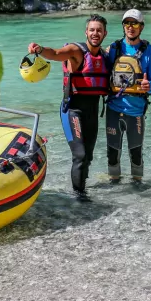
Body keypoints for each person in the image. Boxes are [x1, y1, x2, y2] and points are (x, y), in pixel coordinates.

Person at [27, 14, 109, 198]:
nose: (95, 33)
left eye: (99, 30)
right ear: (86, 32)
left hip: (92, 111)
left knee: (88, 156)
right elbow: (56, 53)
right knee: (80, 155)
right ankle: (79, 198)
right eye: (92, 30)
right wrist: (40, 49)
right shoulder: (76, 51)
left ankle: (82, 190)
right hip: (73, 111)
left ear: (105, 33)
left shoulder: (104, 55)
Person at [105, 9, 151, 182]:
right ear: (123, 26)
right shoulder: (113, 48)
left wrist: (149, 86)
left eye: (134, 23)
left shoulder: (150, 51)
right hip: (113, 109)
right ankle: (114, 186)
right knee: (112, 153)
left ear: (141, 27)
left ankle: (138, 188)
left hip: (136, 111)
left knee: (136, 152)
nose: (130, 27)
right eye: (127, 23)